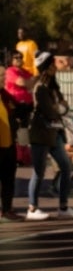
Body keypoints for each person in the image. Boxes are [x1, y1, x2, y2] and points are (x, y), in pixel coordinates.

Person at [26, 52, 73, 220]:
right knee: (39, 171)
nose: (56, 67)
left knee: (66, 167)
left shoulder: (52, 86)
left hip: (54, 133)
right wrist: (59, 108)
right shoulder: (40, 88)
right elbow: (51, 111)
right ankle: (32, 208)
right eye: (52, 64)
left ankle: (63, 207)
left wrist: (60, 107)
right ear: (46, 67)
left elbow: (62, 106)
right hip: (40, 134)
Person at [0, 88, 18, 220]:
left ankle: (7, 209)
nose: (3, 78)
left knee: (8, 178)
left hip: (9, 143)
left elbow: (17, 108)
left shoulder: (5, 95)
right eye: (1, 76)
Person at [4, 51, 34, 130]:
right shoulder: (10, 71)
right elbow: (21, 82)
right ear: (11, 59)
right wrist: (28, 82)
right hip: (15, 106)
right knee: (17, 130)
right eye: (16, 57)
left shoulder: (25, 72)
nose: (19, 59)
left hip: (27, 106)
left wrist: (28, 82)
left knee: (25, 131)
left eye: (20, 57)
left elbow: (34, 83)